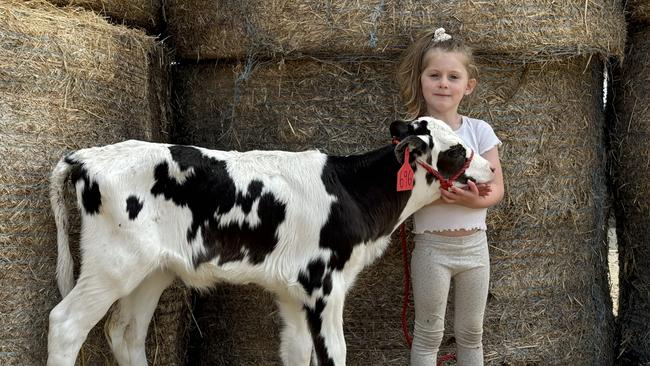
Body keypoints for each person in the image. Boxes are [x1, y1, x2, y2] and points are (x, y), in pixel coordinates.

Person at [396, 28, 504, 366]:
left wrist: (472, 201)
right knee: (428, 333)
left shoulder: (479, 131)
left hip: (475, 249)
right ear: (422, 80)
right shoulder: (415, 134)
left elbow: (497, 188)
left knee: (472, 333)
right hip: (432, 249)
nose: (443, 83)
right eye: (435, 75)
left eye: (453, 76)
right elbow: (404, 190)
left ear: (467, 86)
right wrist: (444, 196)